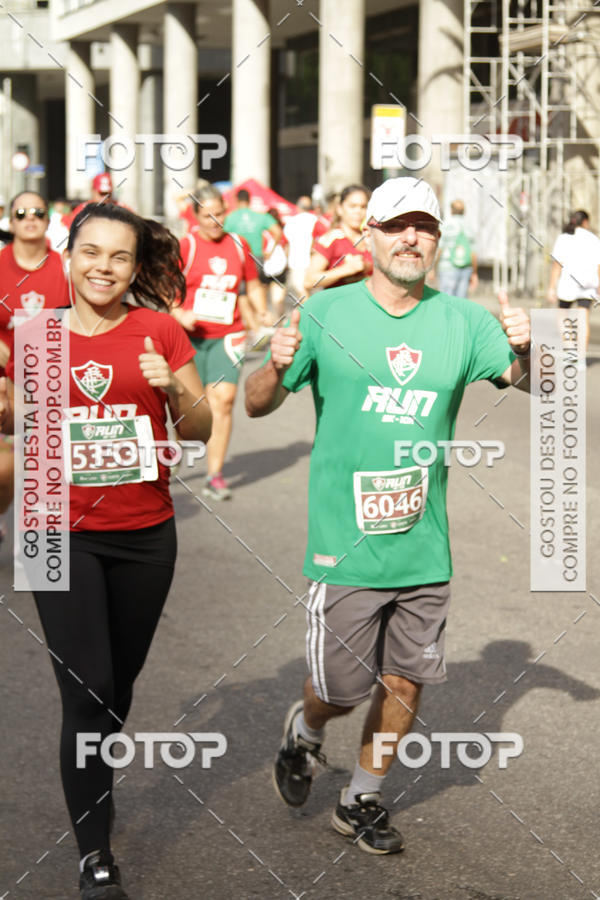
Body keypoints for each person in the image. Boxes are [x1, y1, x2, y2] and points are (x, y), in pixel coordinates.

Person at [245, 176, 530, 854]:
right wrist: (271, 363)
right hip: (343, 547)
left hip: (424, 545)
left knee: (406, 679)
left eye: (423, 227)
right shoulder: (326, 313)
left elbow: (535, 383)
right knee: (340, 691)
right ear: (367, 235)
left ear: (436, 241)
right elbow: (258, 402)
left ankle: (361, 797)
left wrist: (530, 346)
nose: (410, 237)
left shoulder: (464, 321)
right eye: (396, 225)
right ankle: (306, 733)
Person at [0, 202, 212, 899]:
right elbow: (15, 420)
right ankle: (95, 856)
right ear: (69, 255)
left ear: (132, 266)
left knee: (115, 694)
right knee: (88, 690)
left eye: (119, 257)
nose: (104, 268)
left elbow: (202, 425)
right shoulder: (35, 335)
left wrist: (172, 388)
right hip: (52, 528)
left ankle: (96, 770)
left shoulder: (158, 331)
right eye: (91, 253)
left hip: (145, 533)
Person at [172, 183, 266, 500]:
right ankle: (169, 463)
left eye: (219, 214)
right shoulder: (186, 246)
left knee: (222, 401)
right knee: (183, 408)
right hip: (188, 340)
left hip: (228, 336)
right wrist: (177, 312)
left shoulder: (239, 245)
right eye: (207, 215)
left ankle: (214, 475)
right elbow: (161, 288)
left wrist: (263, 310)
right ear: (196, 216)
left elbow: (251, 285)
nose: (214, 221)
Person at [0, 191, 69, 375]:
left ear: (47, 221)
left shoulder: (67, 267)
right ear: (11, 223)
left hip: (53, 381)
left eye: (38, 213)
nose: (30, 219)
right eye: (21, 214)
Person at [547, 209, 600, 351]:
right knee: (583, 319)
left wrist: (551, 287)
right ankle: (581, 358)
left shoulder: (563, 238)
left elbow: (556, 265)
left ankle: (570, 347)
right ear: (585, 222)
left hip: (567, 285)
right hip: (588, 285)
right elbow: (598, 265)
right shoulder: (593, 239)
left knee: (561, 316)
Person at [304, 184, 372, 293]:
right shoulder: (332, 239)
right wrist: (346, 270)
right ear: (340, 209)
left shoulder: (372, 238)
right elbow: (309, 281)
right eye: (352, 206)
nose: (358, 211)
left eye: (363, 207)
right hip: (339, 306)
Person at [284, 196, 328, 300]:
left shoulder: (291, 221)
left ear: (298, 207)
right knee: (314, 294)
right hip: (315, 261)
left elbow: (286, 243)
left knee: (302, 292)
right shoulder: (317, 220)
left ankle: (307, 315)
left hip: (296, 262)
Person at [436, 199, 478, 298]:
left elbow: (440, 249)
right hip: (465, 268)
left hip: (447, 267)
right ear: (464, 211)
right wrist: (475, 273)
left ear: (451, 210)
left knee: (446, 301)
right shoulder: (469, 228)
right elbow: (473, 253)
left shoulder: (445, 226)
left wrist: (433, 268)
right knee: (461, 301)